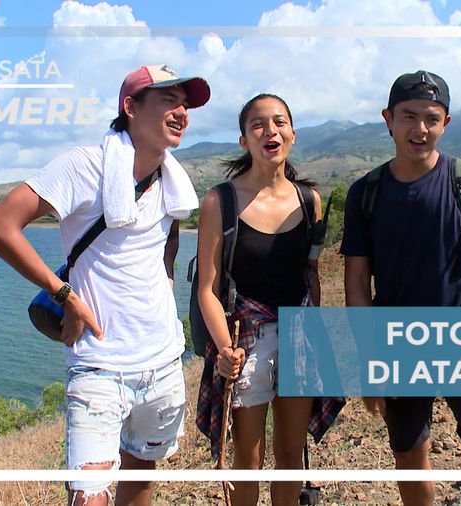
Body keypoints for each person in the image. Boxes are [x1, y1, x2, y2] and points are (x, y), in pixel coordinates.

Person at [0, 64, 210, 506]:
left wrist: (160, 285)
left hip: (162, 359)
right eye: (167, 100)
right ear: (130, 107)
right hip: (100, 365)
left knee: (141, 478)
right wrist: (66, 295)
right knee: (88, 496)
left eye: (185, 103)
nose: (181, 111)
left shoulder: (172, 180)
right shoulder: (84, 166)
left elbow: (168, 239)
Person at [341, 70, 461, 506]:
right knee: (410, 455)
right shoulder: (365, 194)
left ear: (445, 122)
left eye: (431, 117)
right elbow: (356, 282)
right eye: (408, 116)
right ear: (388, 119)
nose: (419, 128)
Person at [194, 93, 344, 506]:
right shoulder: (219, 201)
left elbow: (310, 275)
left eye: (279, 122)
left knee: (291, 456)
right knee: (247, 458)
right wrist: (225, 348)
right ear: (244, 139)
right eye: (258, 124)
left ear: (293, 133)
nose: (270, 131)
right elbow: (206, 287)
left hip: (299, 335)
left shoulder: (308, 200)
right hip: (246, 340)